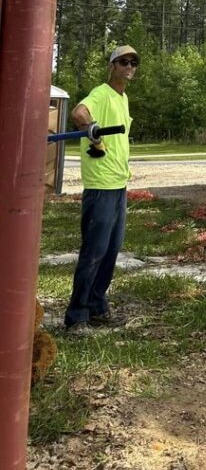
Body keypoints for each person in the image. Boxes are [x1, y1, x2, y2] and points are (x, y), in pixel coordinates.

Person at [63, 45, 138, 333]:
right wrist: (92, 127)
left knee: (111, 250)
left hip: (119, 184)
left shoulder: (123, 98)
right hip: (101, 185)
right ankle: (76, 315)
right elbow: (80, 113)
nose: (129, 66)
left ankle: (95, 304)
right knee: (94, 251)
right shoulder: (102, 93)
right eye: (123, 62)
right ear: (112, 65)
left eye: (133, 62)